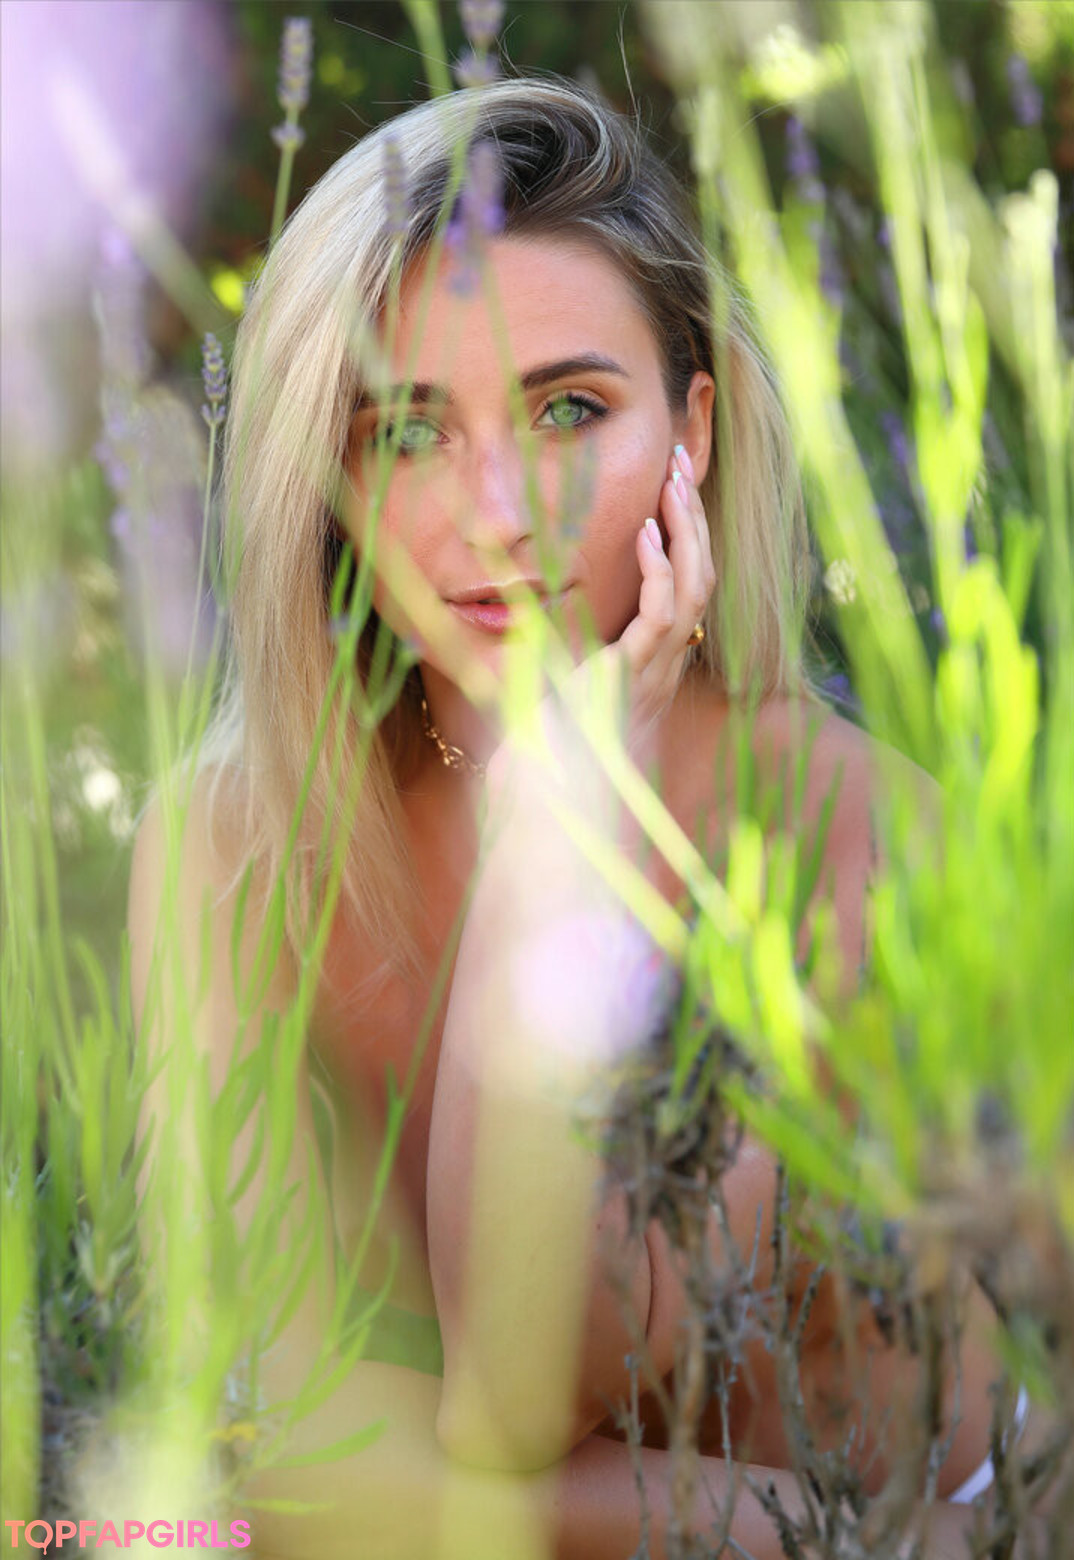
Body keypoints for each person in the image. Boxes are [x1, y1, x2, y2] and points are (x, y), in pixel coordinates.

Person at [130, 76, 1011, 1559]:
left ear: (693, 433)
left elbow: (518, 1395)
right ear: (326, 476)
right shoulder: (226, 850)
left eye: (569, 410)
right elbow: (259, 1432)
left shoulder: (838, 831)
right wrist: (779, 1522)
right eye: (407, 430)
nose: (499, 512)